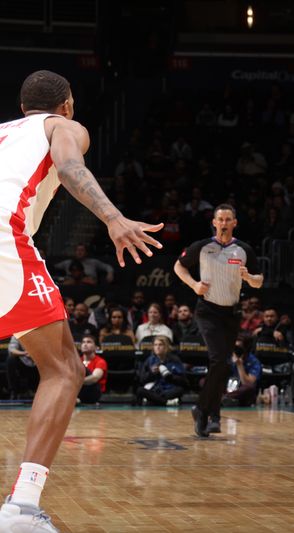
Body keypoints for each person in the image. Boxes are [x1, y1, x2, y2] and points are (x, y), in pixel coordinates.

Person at [0, 70, 162, 533]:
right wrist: (113, 218)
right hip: (5, 238)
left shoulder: (4, 133)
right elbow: (71, 168)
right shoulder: (63, 126)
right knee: (65, 370)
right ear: (67, 104)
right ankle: (21, 509)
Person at [174, 203, 263, 438]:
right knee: (218, 360)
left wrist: (248, 276)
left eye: (228, 219)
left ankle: (204, 412)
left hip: (231, 313)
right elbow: (178, 266)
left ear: (235, 223)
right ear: (214, 223)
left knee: (222, 365)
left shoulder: (243, 250)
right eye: (220, 219)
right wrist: (194, 285)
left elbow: (259, 280)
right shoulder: (203, 247)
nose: (224, 223)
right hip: (207, 311)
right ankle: (210, 415)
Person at [135, 336, 187, 406]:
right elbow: (142, 379)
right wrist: (151, 373)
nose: (157, 347)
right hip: (156, 390)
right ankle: (166, 402)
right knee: (140, 390)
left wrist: (170, 377)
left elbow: (184, 381)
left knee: (180, 390)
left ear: (166, 347)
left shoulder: (174, 360)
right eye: (155, 345)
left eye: (160, 345)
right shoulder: (150, 360)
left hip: (169, 389)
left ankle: (155, 401)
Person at [77, 335, 107, 405]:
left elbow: (95, 378)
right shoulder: (77, 360)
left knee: (82, 368)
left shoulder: (100, 361)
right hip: (78, 390)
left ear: (96, 347)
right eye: (83, 342)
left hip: (93, 391)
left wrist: (76, 382)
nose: (85, 344)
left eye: (89, 342)